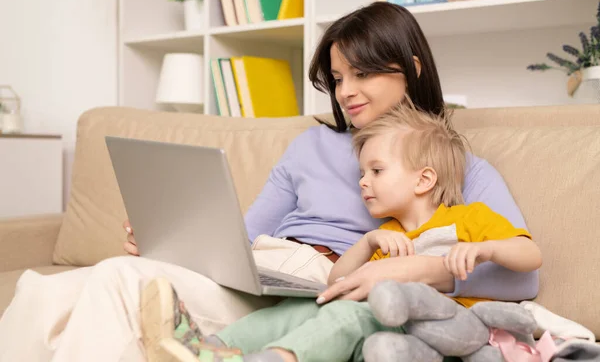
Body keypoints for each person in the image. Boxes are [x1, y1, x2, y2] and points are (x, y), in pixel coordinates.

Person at [0, 2, 538, 362]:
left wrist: (410, 270)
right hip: (263, 280)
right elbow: (244, 236)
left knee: (114, 282)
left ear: (412, 69)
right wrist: (175, 245)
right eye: (338, 77)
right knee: (47, 290)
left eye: (363, 73)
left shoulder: (452, 164)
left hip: (317, 298)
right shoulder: (308, 146)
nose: (346, 91)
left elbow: (522, 281)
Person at [137, 103, 543, 362]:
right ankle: (209, 348)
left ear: (424, 179)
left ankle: (277, 358)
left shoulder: (469, 218)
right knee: (298, 310)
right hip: (376, 312)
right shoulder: (388, 234)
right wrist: (367, 242)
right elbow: (337, 282)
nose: (363, 182)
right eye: (362, 173)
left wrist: (486, 250)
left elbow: (530, 258)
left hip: (429, 327)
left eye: (376, 171)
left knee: (347, 315)